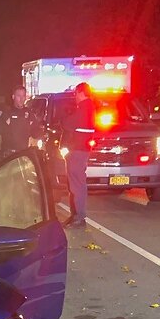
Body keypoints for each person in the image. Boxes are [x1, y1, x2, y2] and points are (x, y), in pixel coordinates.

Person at [63, 82, 95, 228]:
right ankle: (75, 214)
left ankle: (79, 217)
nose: (75, 96)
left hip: (78, 151)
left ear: (82, 93)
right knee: (74, 185)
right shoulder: (88, 108)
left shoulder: (84, 109)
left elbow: (68, 123)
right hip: (78, 151)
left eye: (76, 93)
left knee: (77, 185)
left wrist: (65, 117)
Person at [0, 86, 31, 159]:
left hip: (23, 155)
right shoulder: (5, 112)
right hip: (8, 155)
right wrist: (5, 124)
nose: (21, 99)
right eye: (18, 96)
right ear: (13, 97)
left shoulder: (28, 113)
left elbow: (37, 133)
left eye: (23, 96)